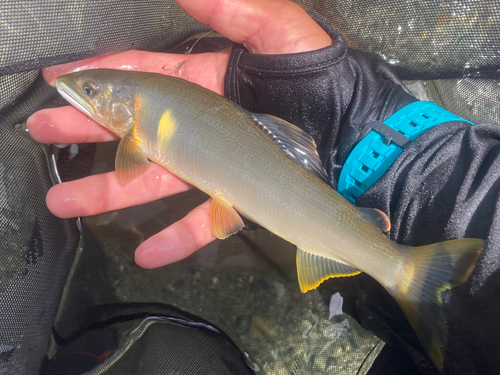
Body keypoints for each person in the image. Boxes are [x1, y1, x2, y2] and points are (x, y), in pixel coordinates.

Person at [27, 0, 499, 373]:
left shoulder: (135, 134)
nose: (80, 91)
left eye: (90, 92)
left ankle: (402, 273)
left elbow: (129, 170)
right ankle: (399, 271)